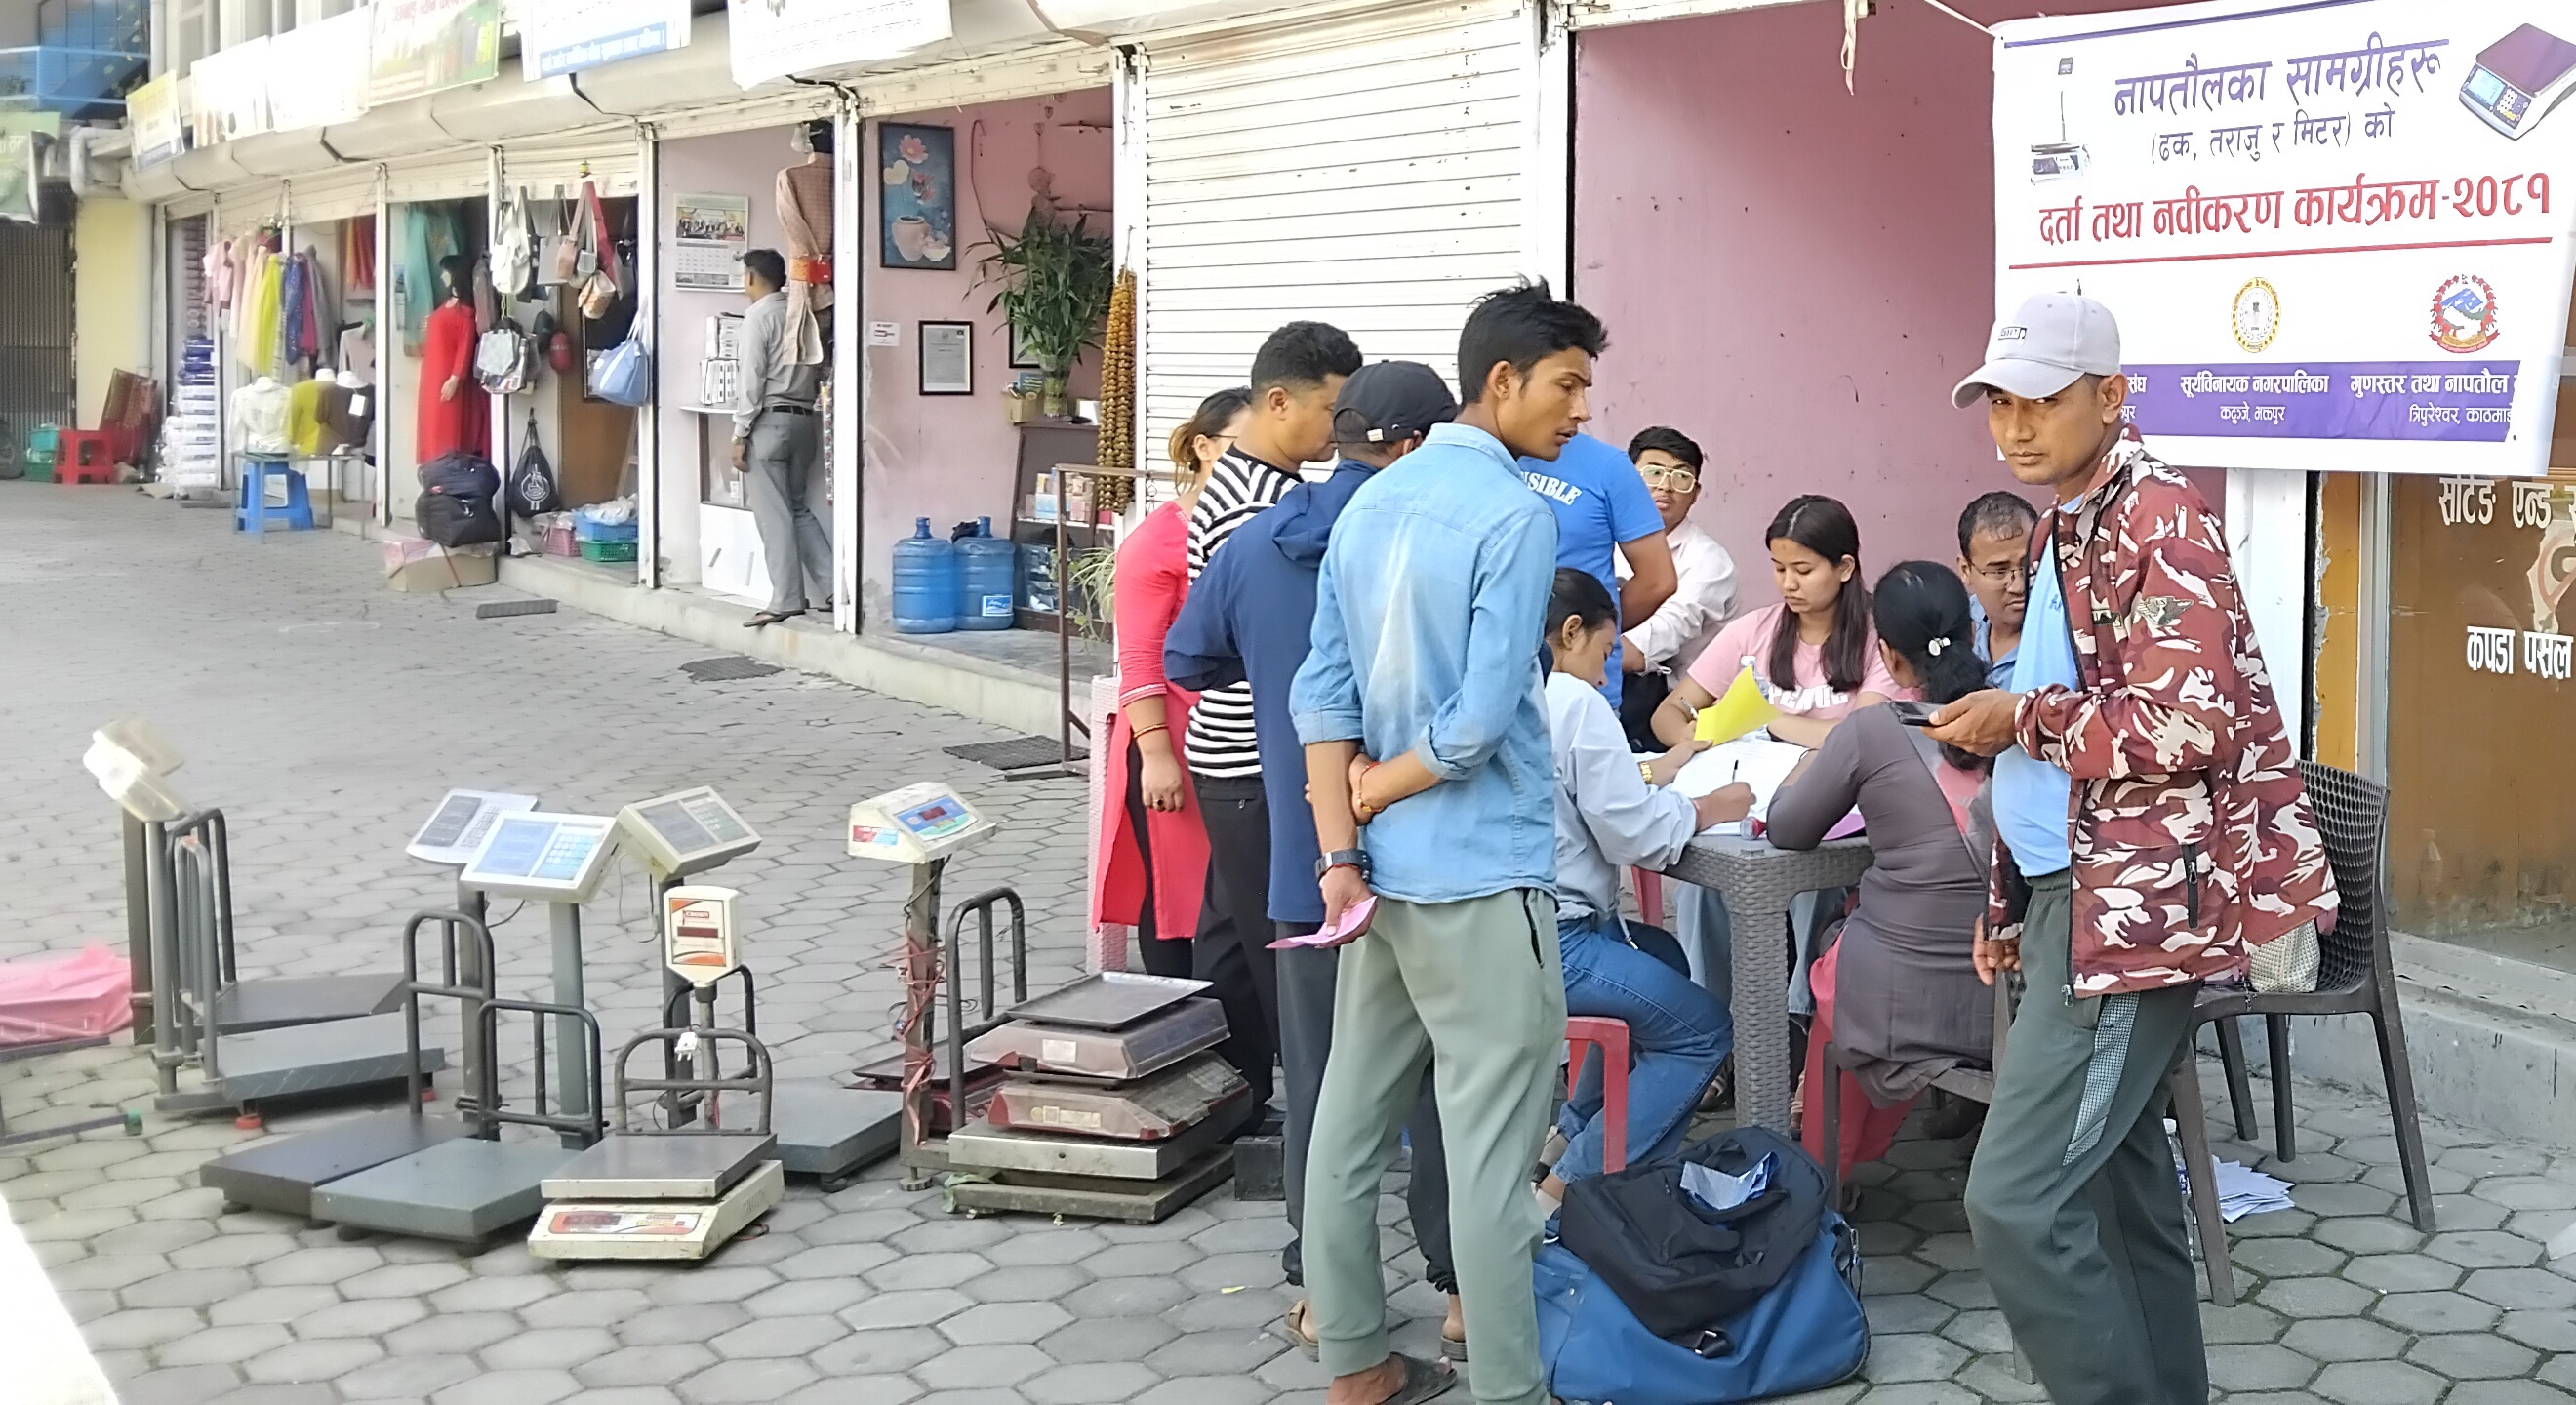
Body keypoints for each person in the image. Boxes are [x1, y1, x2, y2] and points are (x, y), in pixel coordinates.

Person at [1925, 291, 2337, 1405]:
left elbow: (2184, 725)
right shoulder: (2071, 519)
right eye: (1999, 402)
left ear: (2111, 396)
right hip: (2078, 895)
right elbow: (2061, 707)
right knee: (2114, 1188)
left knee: (2015, 1202)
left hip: (2134, 907)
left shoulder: (2156, 515)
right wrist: (2009, 897)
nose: (2015, 426)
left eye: (2043, 401)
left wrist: (2021, 722)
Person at [1292, 281, 1603, 1405]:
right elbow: (1474, 727)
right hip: (1479, 880)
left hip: (1378, 892)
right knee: (1489, 1152)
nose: (1580, 413)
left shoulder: (1368, 503)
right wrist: (1380, 791)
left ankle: (1356, 1362)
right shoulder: (1518, 515)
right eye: (1567, 387)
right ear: (1504, 381)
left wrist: (1343, 841)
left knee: (1349, 1123)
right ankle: (1510, 1388)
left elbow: (1316, 692)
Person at [1165, 362, 1467, 1364]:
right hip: (1432, 857)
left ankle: (1323, 1299)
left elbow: (1188, 659)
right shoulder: (1443, 540)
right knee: (1446, 1079)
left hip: (1306, 860)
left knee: (1326, 1080)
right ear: (1425, 441)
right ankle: (1465, 1290)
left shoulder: (1254, 544)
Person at [1764, 561, 1993, 1189]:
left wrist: (1804, 764)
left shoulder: (1870, 731)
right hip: (2009, 1000)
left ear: (1887, 657)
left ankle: (1821, 1176)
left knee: (1835, 957)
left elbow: (1788, 828)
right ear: (1972, 634)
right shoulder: (2020, 721)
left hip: (1900, 998)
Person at [1186, 321, 1362, 1114]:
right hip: (1257, 759)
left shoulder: (1267, 489)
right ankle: (1301, 1114)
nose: (1340, 430)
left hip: (1240, 756)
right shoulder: (1264, 507)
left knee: (1229, 936)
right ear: (1280, 401)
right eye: (1331, 410)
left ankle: (1239, 1098)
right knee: (1277, 952)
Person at [1534, 567, 1745, 1214]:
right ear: (1571, 634)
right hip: (1559, 939)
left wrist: (1659, 769)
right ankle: (1568, 1185)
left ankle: (1568, 1134)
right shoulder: (1575, 700)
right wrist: (1709, 807)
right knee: (1704, 1032)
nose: (1605, 675)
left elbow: (1586, 783)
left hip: (1511, 928)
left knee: (1661, 956)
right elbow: (1636, 838)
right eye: (1603, 653)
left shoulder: (1511, 692)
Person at [1650, 495, 1904, 1000]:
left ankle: (1799, 1017)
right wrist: (1698, 738)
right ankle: (1715, 1015)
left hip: (1829, 817)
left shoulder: (1879, 640)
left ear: (1845, 567)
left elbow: (1863, 735)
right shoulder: (1753, 632)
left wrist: (1770, 723)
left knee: (1815, 887)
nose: (1789, 583)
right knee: (1702, 888)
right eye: (1779, 567)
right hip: (1742, 808)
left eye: (1804, 569)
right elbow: (1668, 714)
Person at [1093, 388, 1246, 979]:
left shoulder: (1248, 525)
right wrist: (1155, 753)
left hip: (1235, 739)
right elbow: (1138, 656)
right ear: (1204, 448)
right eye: (1240, 444)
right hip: (1174, 739)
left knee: (1227, 894)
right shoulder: (1156, 543)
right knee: (1174, 899)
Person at [1519, 431, 1673, 709]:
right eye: (1565, 387)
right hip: (1494, 686)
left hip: (1581, 689)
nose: (1581, 409)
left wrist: (1590, 631)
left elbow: (1657, 581)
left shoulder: (1608, 465)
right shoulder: (1482, 458)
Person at [1617, 426, 1739, 748]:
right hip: (1608, 687)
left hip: (1671, 711)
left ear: (1696, 493)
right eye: (1653, 473)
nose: (1665, 487)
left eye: (1681, 477)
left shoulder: (1710, 563)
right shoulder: (1603, 541)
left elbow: (1645, 648)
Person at [732, 248, 829, 628]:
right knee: (797, 508)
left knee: (774, 516)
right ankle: (835, 588)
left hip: (769, 423)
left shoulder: (758, 317)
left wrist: (740, 433)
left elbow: (751, 380)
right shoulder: (800, 313)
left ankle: (786, 599)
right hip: (805, 420)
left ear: (753, 278)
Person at [1958, 491, 2038, 690]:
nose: (2018, 586)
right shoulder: (1957, 624)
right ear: (1965, 570)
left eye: (2028, 566)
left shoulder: (2068, 634)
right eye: (1999, 571)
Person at [414, 254, 487, 462]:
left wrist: (456, 377)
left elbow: (465, 346)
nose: (443, 276)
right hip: (432, 373)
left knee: (446, 426)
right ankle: (434, 469)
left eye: (446, 272)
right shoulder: (447, 304)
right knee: (430, 423)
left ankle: (446, 468)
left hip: (446, 375)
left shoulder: (465, 311)